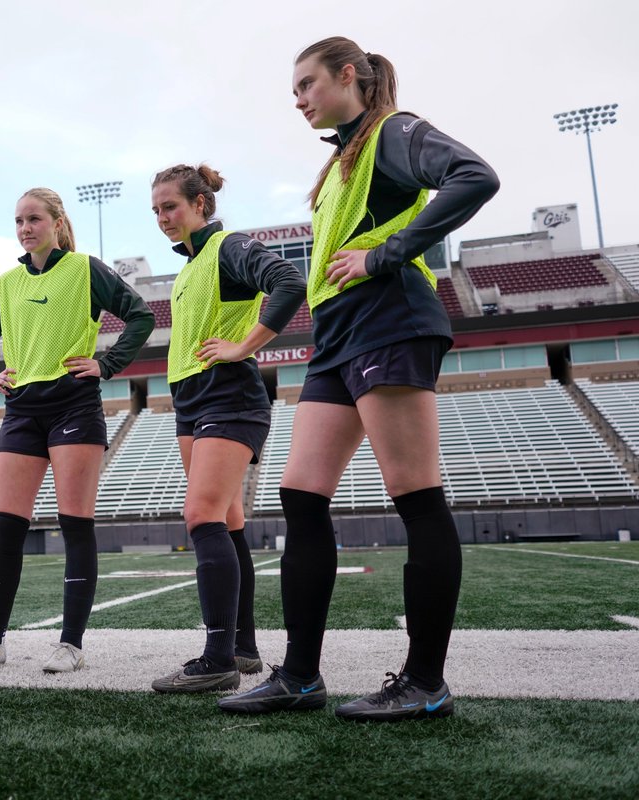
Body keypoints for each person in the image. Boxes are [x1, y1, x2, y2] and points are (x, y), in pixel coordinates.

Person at [219, 37, 499, 720]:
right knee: (300, 494)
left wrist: (388, 253)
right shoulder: (343, 157)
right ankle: (300, 676)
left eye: (308, 83)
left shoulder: (395, 132)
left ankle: (425, 682)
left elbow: (475, 176)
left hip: (391, 316)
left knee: (415, 495)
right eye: (295, 88)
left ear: (350, 76)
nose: (298, 98)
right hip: (337, 335)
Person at [0, 188, 154, 673]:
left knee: (75, 525)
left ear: (57, 222)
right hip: (22, 411)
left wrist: (106, 364)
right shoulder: (6, 282)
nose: (26, 228)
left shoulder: (85, 269)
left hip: (74, 407)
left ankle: (71, 644)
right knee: (7, 528)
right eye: (19, 220)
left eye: (34, 219)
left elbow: (141, 315)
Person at [147, 165, 306, 694]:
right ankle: (242, 649)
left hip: (229, 392)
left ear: (200, 204)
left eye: (170, 206)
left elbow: (289, 282)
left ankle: (215, 657)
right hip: (190, 398)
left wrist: (246, 346)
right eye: (156, 211)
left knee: (201, 515)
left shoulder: (227, 248)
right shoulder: (189, 266)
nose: (163, 218)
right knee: (229, 519)